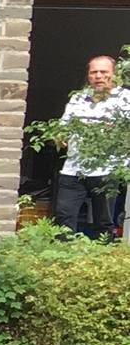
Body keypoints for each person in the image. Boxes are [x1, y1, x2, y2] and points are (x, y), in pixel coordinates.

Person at [52, 55, 124, 239]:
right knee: (63, 218)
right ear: (88, 75)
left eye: (104, 72)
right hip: (73, 168)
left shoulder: (125, 99)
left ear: (114, 74)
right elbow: (63, 127)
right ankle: (62, 258)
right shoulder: (78, 97)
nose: (98, 76)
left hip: (108, 169)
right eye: (94, 72)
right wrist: (59, 136)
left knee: (104, 222)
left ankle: (102, 261)